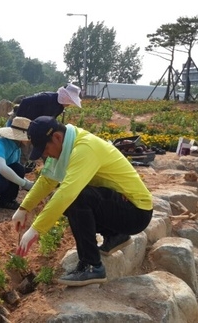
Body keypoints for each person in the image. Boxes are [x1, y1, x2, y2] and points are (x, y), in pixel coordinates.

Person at [12, 116, 153, 287]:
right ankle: (115, 235)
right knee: (74, 198)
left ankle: (92, 265)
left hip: (136, 213)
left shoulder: (84, 148)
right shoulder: (68, 145)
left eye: (46, 148)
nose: (45, 154)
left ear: (57, 137)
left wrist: (35, 230)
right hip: (123, 206)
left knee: (76, 197)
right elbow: (47, 180)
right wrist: (24, 208)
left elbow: (66, 194)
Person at [6, 83, 82, 126]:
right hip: (18, 119)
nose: (69, 104)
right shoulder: (47, 97)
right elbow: (25, 102)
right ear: (65, 97)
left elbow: (48, 121)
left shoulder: (60, 108)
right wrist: (19, 121)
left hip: (31, 124)